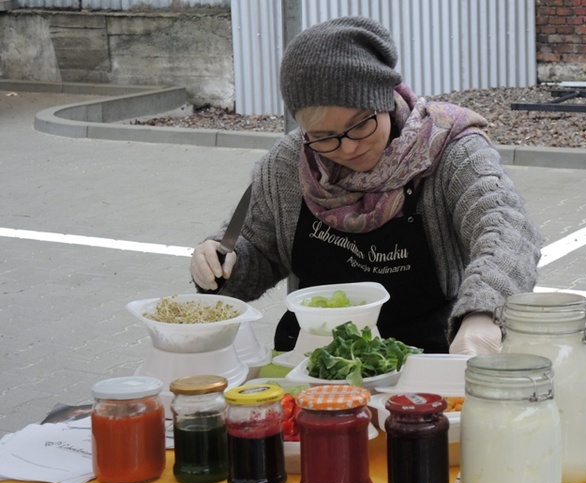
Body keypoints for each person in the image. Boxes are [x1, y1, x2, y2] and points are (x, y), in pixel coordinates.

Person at [190, 16, 542, 355]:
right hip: (311, 364)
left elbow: (505, 230)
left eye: (359, 126)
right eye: (324, 136)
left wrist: (483, 314)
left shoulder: (450, 150)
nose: (347, 148)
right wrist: (222, 263)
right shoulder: (288, 163)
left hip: (429, 362)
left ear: (384, 101)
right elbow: (258, 250)